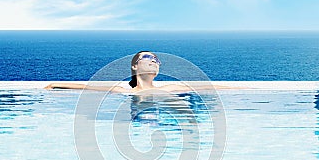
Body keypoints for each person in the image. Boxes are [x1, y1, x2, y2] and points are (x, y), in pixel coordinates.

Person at [44, 51, 237, 92]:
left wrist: (240, 90)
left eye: (156, 59)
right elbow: (88, 87)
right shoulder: (124, 91)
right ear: (135, 66)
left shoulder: (169, 88)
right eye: (148, 58)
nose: (154, 61)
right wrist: (54, 84)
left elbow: (205, 87)